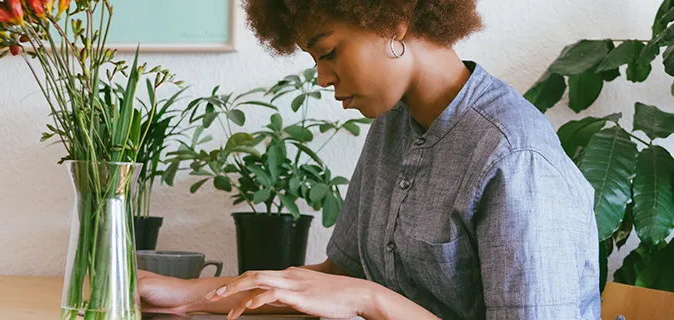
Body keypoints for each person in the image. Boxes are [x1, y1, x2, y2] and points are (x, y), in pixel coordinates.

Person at [138, 0, 602, 319]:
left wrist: (369, 300)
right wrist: (182, 295)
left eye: (328, 51)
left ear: (394, 19)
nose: (321, 77)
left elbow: (354, 290)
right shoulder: (394, 125)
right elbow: (335, 279)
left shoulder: (515, 158)